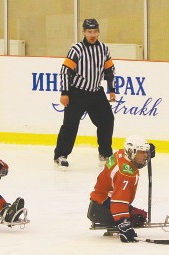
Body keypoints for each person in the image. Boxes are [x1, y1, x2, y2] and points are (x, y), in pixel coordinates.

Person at [54, 18, 116, 169]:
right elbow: (65, 72)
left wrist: (112, 89)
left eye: (95, 31)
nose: (92, 34)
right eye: (89, 31)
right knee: (70, 125)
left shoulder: (104, 49)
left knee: (107, 120)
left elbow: (109, 70)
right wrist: (65, 92)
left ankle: (105, 153)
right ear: (83, 32)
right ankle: (60, 155)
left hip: (96, 92)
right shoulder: (77, 49)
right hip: (77, 93)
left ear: (99, 32)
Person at [87, 135, 155, 242]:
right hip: (104, 203)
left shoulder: (121, 154)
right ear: (131, 152)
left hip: (101, 197)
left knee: (137, 215)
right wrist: (124, 224)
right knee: (139, 217)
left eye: (146, 152)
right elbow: (119, 201)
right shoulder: (125, 173)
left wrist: (145, 151)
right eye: (142, 152)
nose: (146, 156)